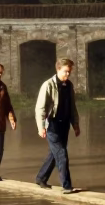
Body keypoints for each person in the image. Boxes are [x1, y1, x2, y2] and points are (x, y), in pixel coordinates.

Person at [33, 58, 82, 194]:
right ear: (58, 69)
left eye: (70, 72)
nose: (68, 75)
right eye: (66, 72)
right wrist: (41, 126)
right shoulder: (48, 85)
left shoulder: (69, 86)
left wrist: (75, 124)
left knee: (55, 154)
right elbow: (40, 108)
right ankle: (67, 186)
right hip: (52, 124)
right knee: (62, 154)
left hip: (64, 124)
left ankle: (41, 178)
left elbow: (72, 106)